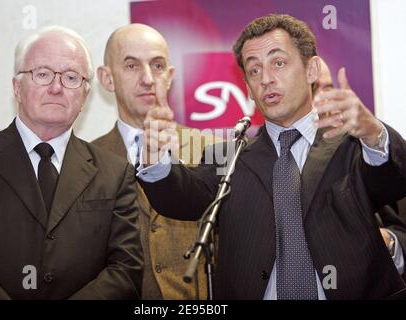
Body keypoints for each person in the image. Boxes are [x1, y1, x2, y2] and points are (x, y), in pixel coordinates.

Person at [138, 14, 406, 299]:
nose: (266, 79)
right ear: (248, 89)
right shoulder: (230, 157)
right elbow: (181, 196)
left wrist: (374, 134)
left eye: (278, 63)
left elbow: (392, 180)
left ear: (312, 69)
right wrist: (156, 159)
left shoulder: (353, 146)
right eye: (254, 71)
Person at [0, 26, 143, 299]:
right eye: (42, 74)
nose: (56, 88)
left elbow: (126, 270)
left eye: (70, 77)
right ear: (17, 87)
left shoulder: (114, 173)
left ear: (85, 95)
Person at [92, 23, 215, 299]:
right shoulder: (85, 161)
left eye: (157, 66)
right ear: (107, 78)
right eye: (132, 66)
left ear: (170, 76)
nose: (148, 78)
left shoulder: (211, 148)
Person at [315, 57, 406, 277]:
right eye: (311, 89)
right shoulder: (256, 162)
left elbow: (399, 230)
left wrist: (387, 242)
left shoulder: (367, 152)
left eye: (327, 88)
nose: (321, 100)